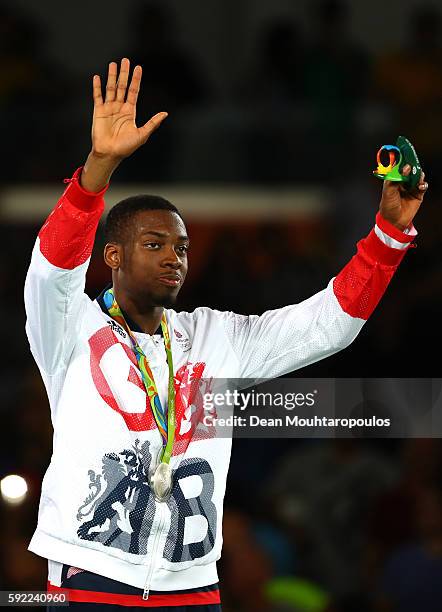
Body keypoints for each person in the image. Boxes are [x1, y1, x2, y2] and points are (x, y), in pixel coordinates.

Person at [24, 58, 428, 610]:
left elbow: (327, 324)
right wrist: (99, 167)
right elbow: (51, 268)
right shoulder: (70, 327)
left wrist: (389, 234)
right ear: (112, 256)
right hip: (88, 579)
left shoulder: (216, 337)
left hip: (194, 588)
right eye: (155, 245)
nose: (174, 258)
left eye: (182, 248)